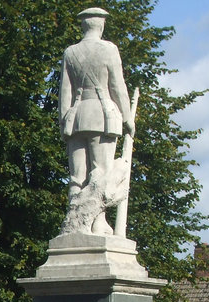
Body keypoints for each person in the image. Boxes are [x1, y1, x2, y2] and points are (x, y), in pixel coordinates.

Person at [59, 7, 134, 235]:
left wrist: (64, 123)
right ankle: (97, 223)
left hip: (76, 117)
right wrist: (129, 118)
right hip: (102, 115)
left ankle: (75, 226)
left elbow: (65, 93)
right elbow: (118, 87)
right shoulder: (108, 50)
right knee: (99, 173)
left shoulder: (70, 52)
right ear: (101, 25)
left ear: (83, 26)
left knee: (77, 176)